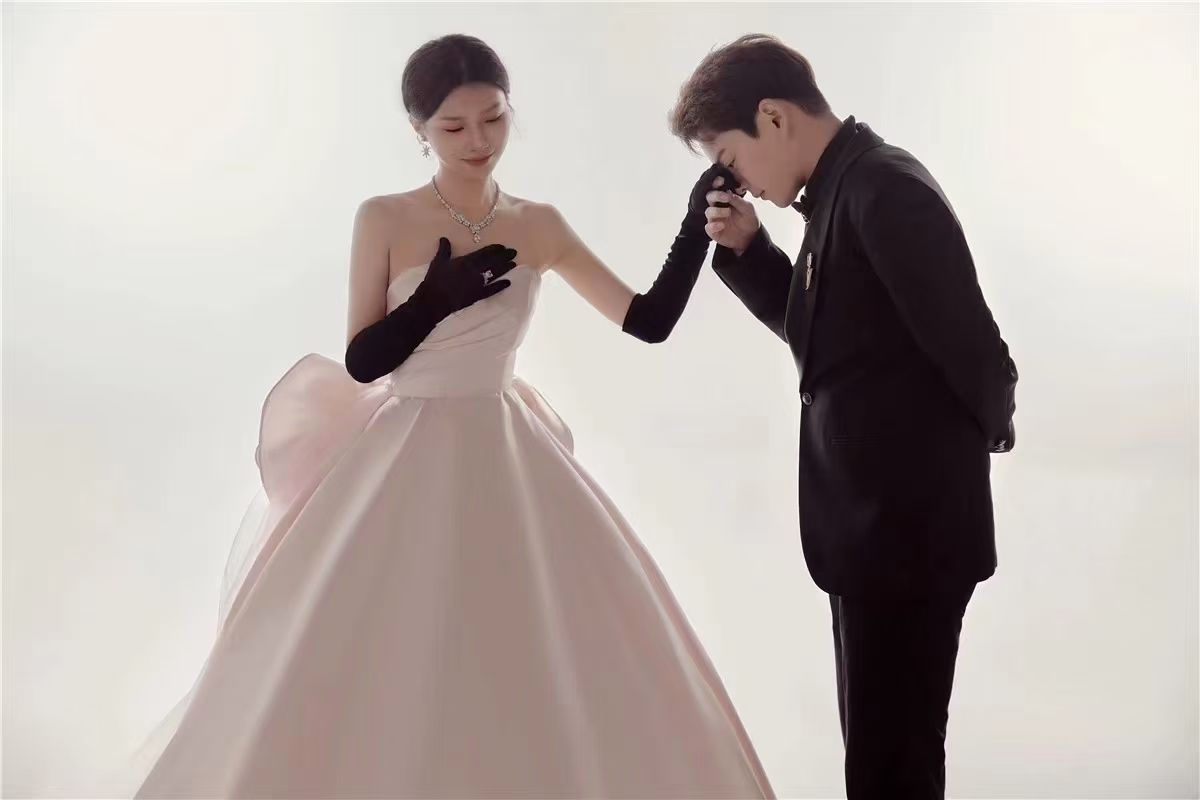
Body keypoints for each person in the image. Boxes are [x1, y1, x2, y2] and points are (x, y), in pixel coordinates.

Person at [127, 34, 773, 798]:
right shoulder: (384, 217)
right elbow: (364, 360)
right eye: (453, 127)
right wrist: (431, 303)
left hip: (507, 451)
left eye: (493, 119)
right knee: (381, 645)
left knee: (531, 644)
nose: (478, 141)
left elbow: (649, 320)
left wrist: (695, 224)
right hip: (403, 448)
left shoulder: (539, 223)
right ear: (418, 130)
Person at [669, 33, 1018, 800]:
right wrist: (751, 252)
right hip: (872, 540)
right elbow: (833, 345)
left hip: (908, 537)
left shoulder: (882, 189)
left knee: (893, 768)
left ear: (772, 117)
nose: (735, 181)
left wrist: (984, 437)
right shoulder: (839, 194)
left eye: (730, 157)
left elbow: (977, 352)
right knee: (882, 764)